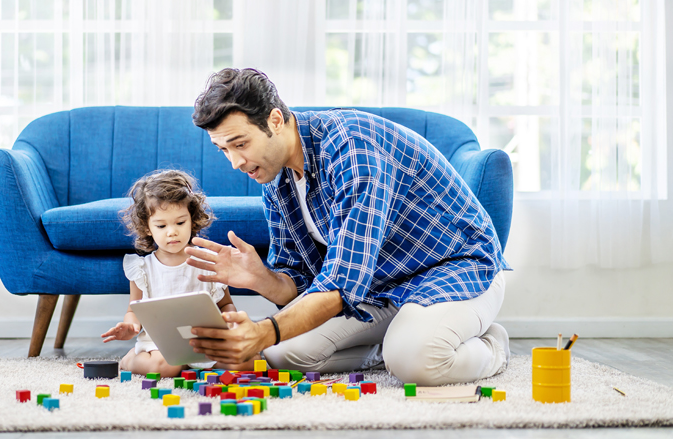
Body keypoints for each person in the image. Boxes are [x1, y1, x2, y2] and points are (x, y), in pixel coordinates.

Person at [184, 68, 512, 386]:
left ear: (275, 120)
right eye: (224, 149)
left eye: (240, 144)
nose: (235, 162)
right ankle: (402, 343)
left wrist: (263, 331)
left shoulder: (351, 148)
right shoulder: (275, 177)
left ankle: (491, 345)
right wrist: (262, 280)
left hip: (455, 269)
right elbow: (301, 282)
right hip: (378, 287)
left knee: (415, 361)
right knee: (283, 353)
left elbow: (340, 286)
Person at [101, 169, 255, 377]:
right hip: (160, 344)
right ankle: (130, 360)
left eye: (180, 222)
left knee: (249, 362)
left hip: (206, 340)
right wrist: (130, 326)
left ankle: (191, 365)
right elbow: (134, 310)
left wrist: (231, 319)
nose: (172, 231)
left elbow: (225, 304)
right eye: (161, 225)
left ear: (192, 220)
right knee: (167, 367)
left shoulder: (208, 261)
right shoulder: (142, 269)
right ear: (147, 228)